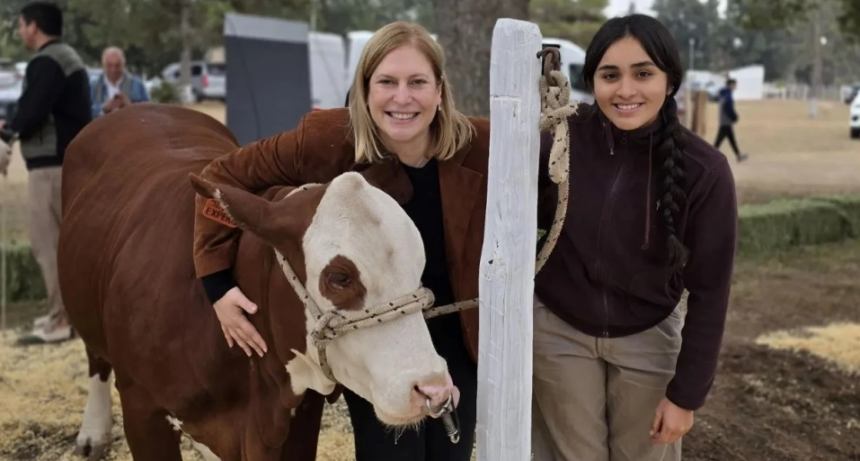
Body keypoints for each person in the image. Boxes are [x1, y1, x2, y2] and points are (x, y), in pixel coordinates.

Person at [191, 21, 487, 461]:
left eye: (417, 82)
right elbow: (219, 180)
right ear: (365, 90)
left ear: (440, 91)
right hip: (372, 334)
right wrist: (216, 282)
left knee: (451, 454)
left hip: (457, 332)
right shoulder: (325, 140)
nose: (402, 98)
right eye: (386, 82)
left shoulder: (482, 145)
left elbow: (554, 175)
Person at [532, 14, 738, 461]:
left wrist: (686, 396)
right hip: (559, 330)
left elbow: (710, 290)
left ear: (670, 80)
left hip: (649, 335)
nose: (626, 91)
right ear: (592, 82)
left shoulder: (704, 172)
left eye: (643, 73)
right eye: (610, 75)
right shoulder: (558, 143)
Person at [0, 1, 92, 344]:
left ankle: (61, 319)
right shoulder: (65, 56)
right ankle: (66, 313)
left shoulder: (47, 61)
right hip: (65, 160)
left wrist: (6, 133)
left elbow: (33, 108)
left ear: (34, 26)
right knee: (62, 243)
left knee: (48, 244)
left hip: (52, 165)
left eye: (22, 25)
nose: (21, 32)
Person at [90, 46, 150, 118]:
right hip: (102, 128)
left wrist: (130, 107)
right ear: (103, 65)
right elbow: (84, 113)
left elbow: (148, 112)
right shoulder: (93, 85)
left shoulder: (137, 84)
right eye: (109, 66)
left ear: (123, 65)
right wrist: (103, 108)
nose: (113, 70)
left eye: (117, 66)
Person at [714, 78, 748, 162]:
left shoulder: (724, 94)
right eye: (735, 84)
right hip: (726, 121)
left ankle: (738, 155)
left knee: (730, 139)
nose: (736, 86)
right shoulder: (728, 95)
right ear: (731, 85)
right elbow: (728, 108)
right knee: (719, 142)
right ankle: (709, 156)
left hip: (724, 120)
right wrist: (734, 117)